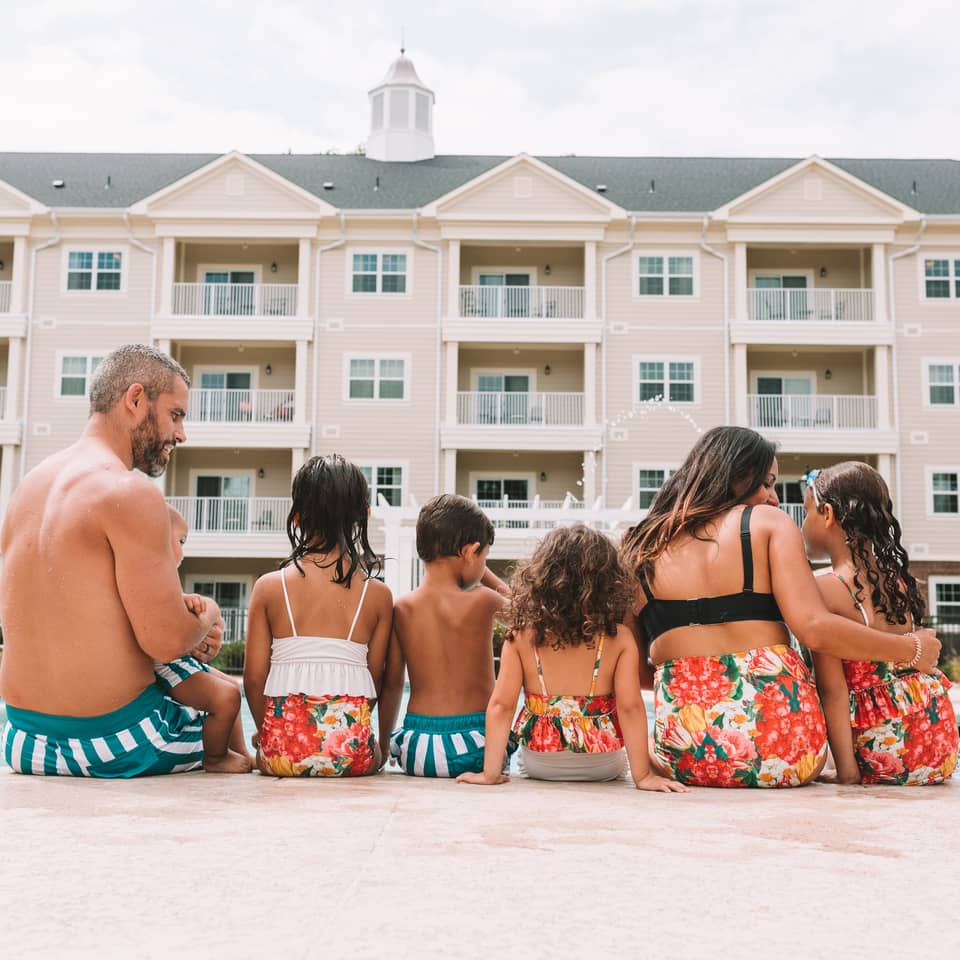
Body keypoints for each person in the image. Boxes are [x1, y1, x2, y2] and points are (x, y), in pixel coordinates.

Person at [620, 426, 942, 789]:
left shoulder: (638, 548)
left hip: (687, 755)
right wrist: (911, 649)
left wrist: (697, 676)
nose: (773, 498)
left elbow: (633, 671)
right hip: (788, 752)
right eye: (768, 483)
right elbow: (815, 629)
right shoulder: (768, 524)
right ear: (738, 476)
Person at [0, 344, 224, 777]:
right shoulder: (129, 492)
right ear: (136, 400)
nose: (181, 434)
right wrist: (206, 616)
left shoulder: (29, 485)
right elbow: (164, 641)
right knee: (227, 714)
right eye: (176, 415)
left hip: (22, 740)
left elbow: (76, 610)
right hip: (113, 741)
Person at [457, 524, 686, 791]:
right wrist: (643, 776)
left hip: (539, 763)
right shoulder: (619, 638)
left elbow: (501, 706)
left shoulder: (520, 637)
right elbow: (631, 708)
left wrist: (489, 773)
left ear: (541, 578)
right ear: (609, 582)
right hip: (603, 763)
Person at [802, 462, 957, 785]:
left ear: (827, 514)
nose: (803, 524)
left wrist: (846, 773)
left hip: (888, 748)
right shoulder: (896, 581)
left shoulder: (829, 589)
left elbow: (834, 690)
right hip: (938, 744)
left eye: (807, 513)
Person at [243, 454, 393, 777]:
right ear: (362, 517)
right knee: (372, 750)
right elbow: (375, 679)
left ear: (296, 518)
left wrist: (268, 731)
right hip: (353, 754)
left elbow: (254, 679)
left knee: (267, 745)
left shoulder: (268, 588)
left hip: (282, 752)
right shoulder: (377, 595)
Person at [386, 494, 513, 778]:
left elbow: (393, 682)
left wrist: (385, 744)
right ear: (470, 552)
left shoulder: (402, 608)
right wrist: (486, 577)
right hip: (474, 746)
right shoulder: (483, 600)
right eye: (484, 557)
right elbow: (532, 617)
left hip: (418, 748)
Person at [155, 506, 253, 774]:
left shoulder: (162, 576)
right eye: (181, 541)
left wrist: (185, 601)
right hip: (164, 664)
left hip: (177, 659)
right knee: (226, 696)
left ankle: (240, 751)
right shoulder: (149, 572)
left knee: (231, 685)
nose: (183, 551)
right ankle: (215, 756)